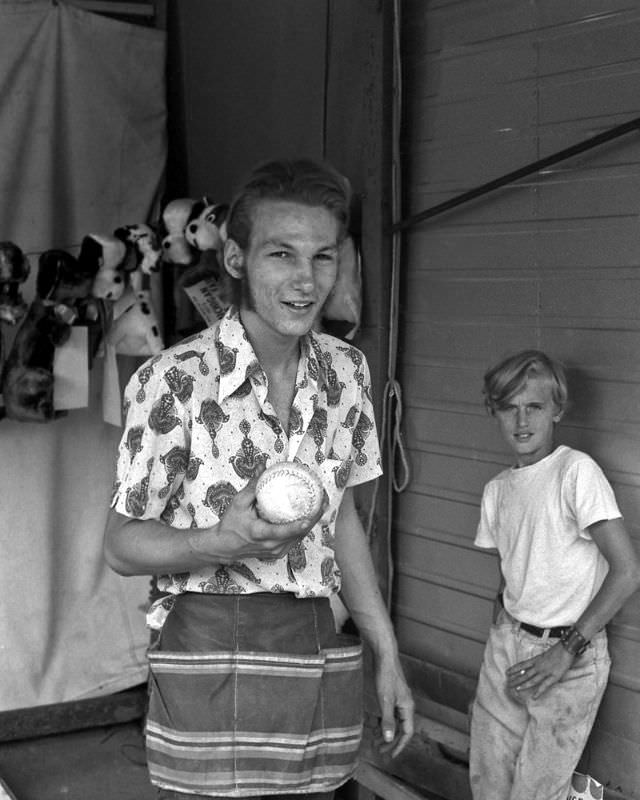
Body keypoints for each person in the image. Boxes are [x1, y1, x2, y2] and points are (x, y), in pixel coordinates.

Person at [104, 158, 415, 800]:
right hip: (207, 647)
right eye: (282, 254)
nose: (306, 280)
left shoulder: (347, 374)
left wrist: (386, 652)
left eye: (323, 257)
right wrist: (220, 542)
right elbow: (120, 546)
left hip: (312, 641)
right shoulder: (175, 381)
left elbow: (344, 524)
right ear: (239, 260)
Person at [468, 349, 640, 800]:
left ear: (557, 410)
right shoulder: (497, 491)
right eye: (509, 407)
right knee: (488, 782)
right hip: (509, 646)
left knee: (535, 792)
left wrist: (566, 650)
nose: (521, 421)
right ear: (494, 411)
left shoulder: (575, 472)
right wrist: (501, 639)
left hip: (570, 653)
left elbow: (627, 572)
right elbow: (510, 573)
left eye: (535, 407)